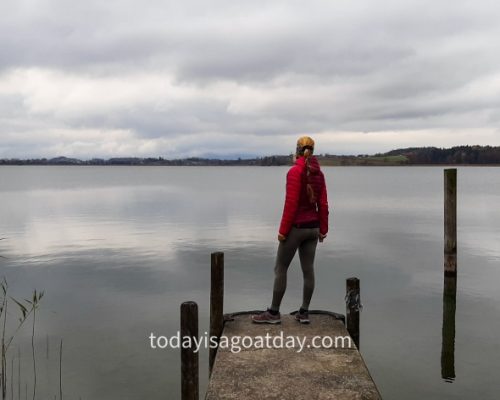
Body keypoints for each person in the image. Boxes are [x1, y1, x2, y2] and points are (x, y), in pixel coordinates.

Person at [252, 136, 329, 325]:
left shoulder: (295, 172)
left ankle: (274, 313)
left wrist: (283, 231)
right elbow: (323, 204)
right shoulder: (319, 174)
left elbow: (291, 204)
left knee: (280, 268)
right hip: (313, 228)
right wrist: (323, 230)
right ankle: (303, 312)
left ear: (297, 150)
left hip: (297, 228)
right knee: (308, 270)